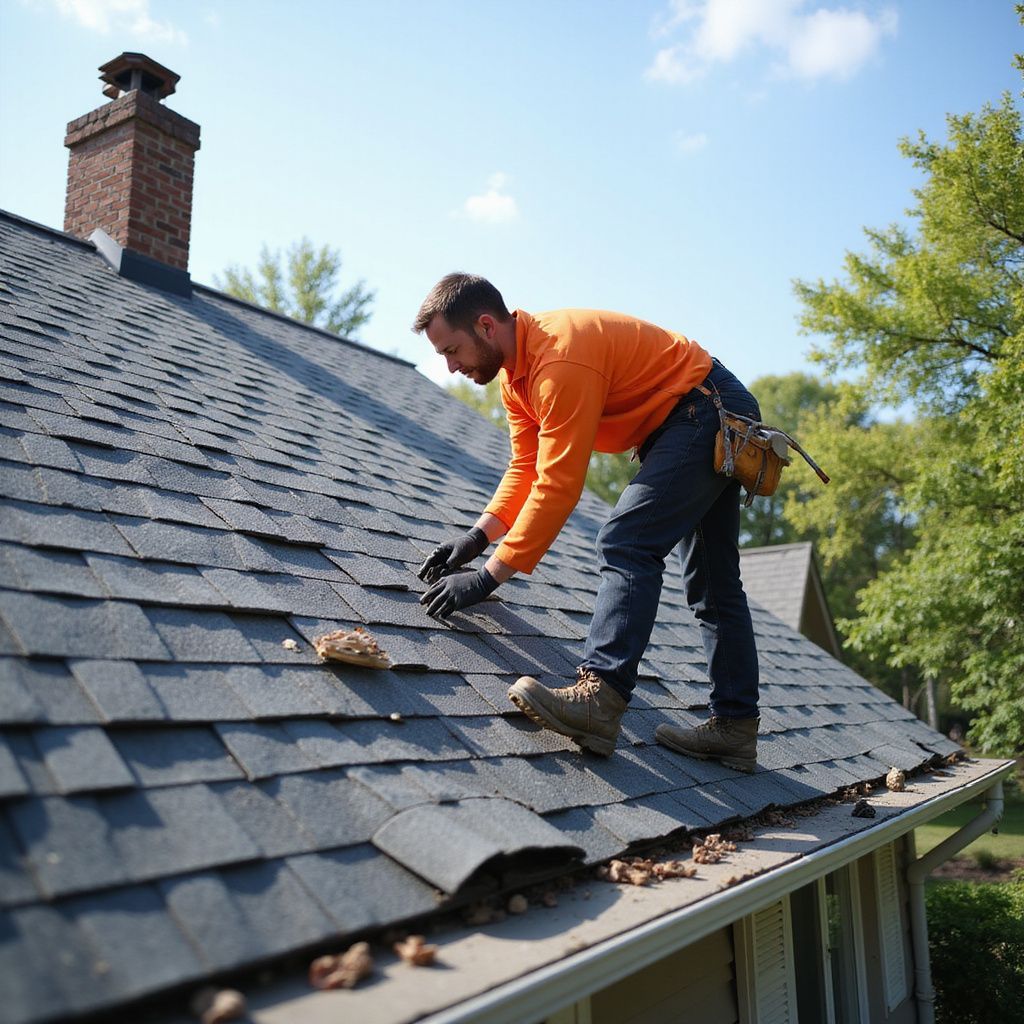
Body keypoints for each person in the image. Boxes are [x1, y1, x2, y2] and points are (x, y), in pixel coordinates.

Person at [412, 273, 762, 772]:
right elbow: (525, 468)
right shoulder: (518, 380)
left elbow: (558, 484)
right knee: (713, 581)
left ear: (486, 326)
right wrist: (477, 537)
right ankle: (735, 727)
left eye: (452, 350)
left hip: (705, 409)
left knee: (627, 541)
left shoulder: (559, 360)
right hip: (697, 412)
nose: (450, 366)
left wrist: (489, 577)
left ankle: (600, 698)